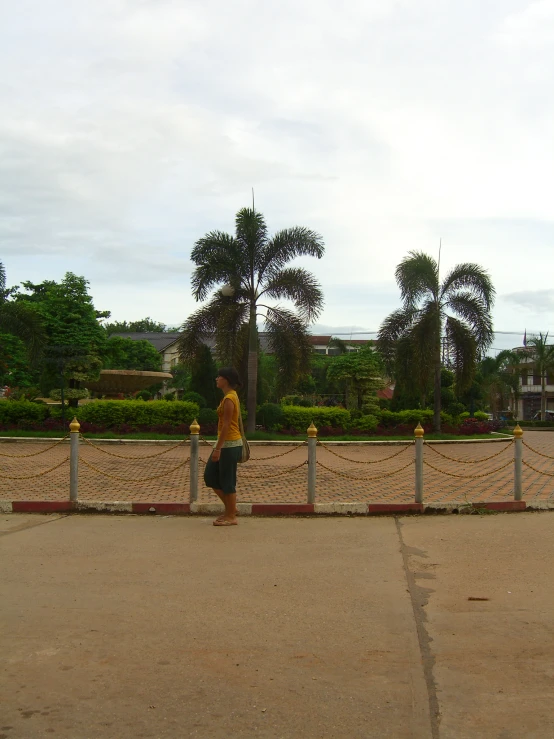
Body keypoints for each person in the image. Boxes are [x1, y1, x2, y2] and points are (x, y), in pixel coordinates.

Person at [203, 367, 243, 526]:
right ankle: (231, 509)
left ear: (226, 379)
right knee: (210, 476)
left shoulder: (229, 398)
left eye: (219, 377)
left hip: (229, 444)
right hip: (225, 443)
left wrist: (217, 449)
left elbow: (226, 425)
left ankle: (231, 516)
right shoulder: (228, 396)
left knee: (227, 480)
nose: (216, 379)